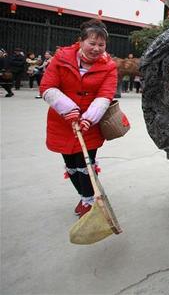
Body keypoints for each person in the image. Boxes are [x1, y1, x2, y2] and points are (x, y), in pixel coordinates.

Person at [39, 20, 117, 217]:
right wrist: (68, 109)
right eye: (92, 43)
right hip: (62, 122)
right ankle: (84, 195)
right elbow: (47, 87)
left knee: (86, 163)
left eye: (101, 45)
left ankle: (90, 200)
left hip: (89, 124)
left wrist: (89, 119)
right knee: (71, 165)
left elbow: (105, 95)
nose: (96, 48)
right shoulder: (61, 59)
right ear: (80, 41)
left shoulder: (109, 67)